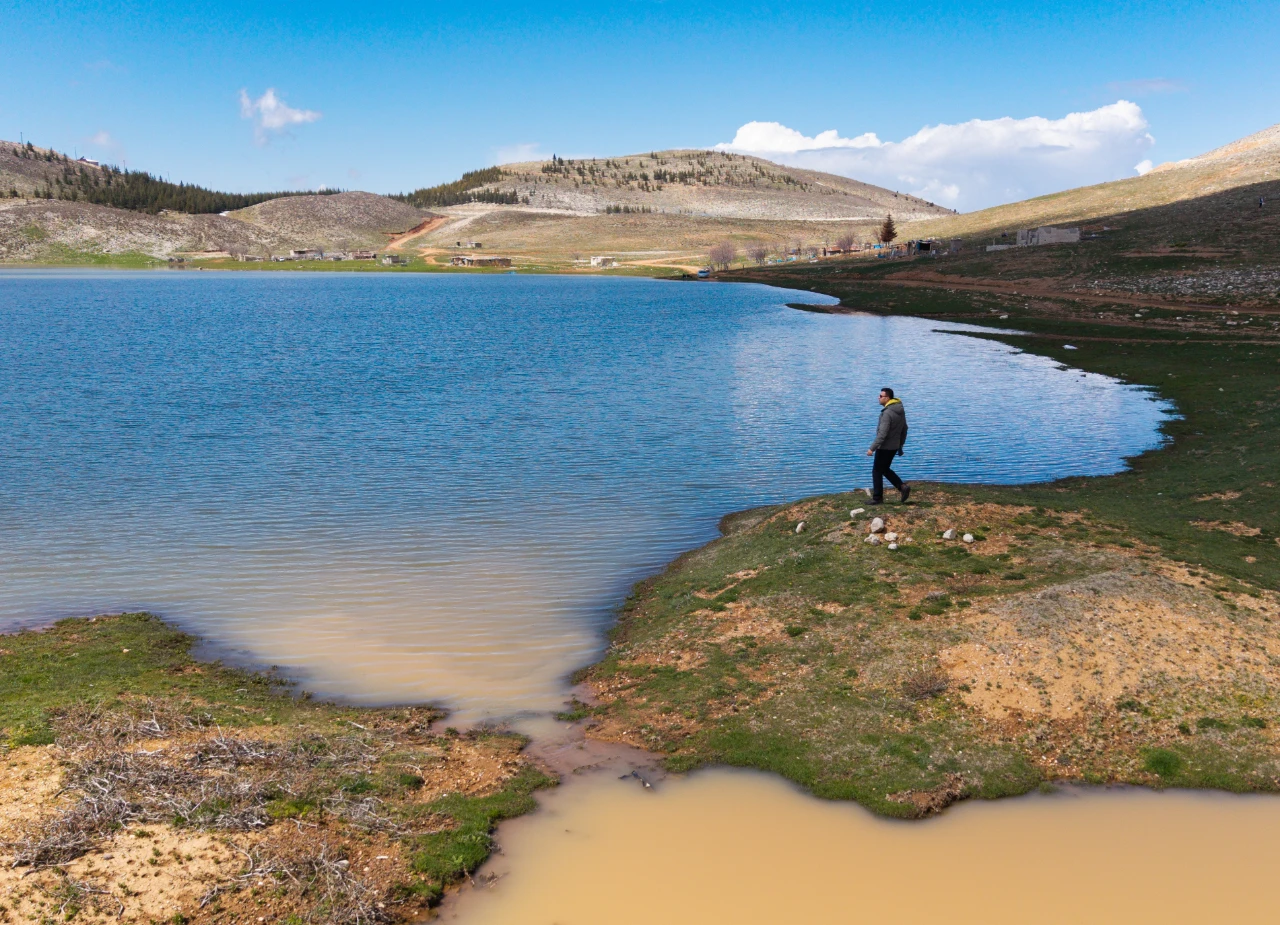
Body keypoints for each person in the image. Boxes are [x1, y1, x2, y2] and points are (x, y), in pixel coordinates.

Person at [866, 387, 910, 504]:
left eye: (881, 396)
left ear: (887, 398)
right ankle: (902, 487)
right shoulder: (900, 410)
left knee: (877, 471)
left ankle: (877, 498)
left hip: (884, 447)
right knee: (884, 469)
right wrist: (900, 445)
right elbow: (904, 429)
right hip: (894, 446)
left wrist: (872, 448)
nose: (878, 398)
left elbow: (882, 434)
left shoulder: (887, 413)